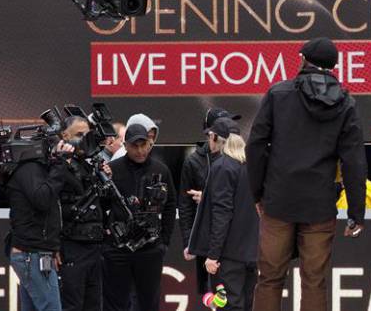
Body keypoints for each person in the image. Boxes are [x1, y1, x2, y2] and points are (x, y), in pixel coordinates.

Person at [246, 36, 367, 311]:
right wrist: (356, 213)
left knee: (269, 279)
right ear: (334, 67)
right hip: (320, 205)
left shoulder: (279, 93)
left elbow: (256, 145)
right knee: (314, 281)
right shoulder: (347, 103)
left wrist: (258, 192)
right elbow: (354, 161)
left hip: (278, 201)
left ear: (303, 61)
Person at [103, 123, 177, 311]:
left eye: (144, 145)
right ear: (125, 145)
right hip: (117, 250)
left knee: (149, 303)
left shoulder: (161, 170)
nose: (140, 150)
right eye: (135, 145)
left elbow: (170, 206)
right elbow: (101, 205)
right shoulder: (112, 169)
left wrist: (163, 242)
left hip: (150, 250)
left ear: (150, 144)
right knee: (115, 303)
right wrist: (106, 241)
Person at [188, 117, 258, 311]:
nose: (209, 142)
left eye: (210, 137)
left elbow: (222, 213)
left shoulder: (222, 167)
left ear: (217, 138)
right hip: (252, 253)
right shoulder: (251, 167)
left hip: (228, 255)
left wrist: (213, 255)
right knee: (247, 305)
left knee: (229, 306)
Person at [6, 126, 75, 311]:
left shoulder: (43, 169)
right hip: (31, 254)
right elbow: (42, 200)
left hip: (37, 252)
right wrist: (60, 164)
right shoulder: (29, 169)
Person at [179, 108, 241, 309]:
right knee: (212, 295)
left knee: (231, 297)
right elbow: (185, 203)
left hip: (234, 241)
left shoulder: (239, 160)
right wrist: (189, 240)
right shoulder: (194, 161)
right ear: (210, 134)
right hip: (207, 239)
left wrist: (206, 197)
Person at [57, 116, 113, 311]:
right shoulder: (57, 165)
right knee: (72, 305)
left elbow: (101, 204)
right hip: (71, 246)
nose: (83, 140)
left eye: (86, 135)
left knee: (94, 304)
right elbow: (49, 206)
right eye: (79, 135)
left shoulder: (90, 166)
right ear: (65, 136)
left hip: (95, 247)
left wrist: (106, 180)